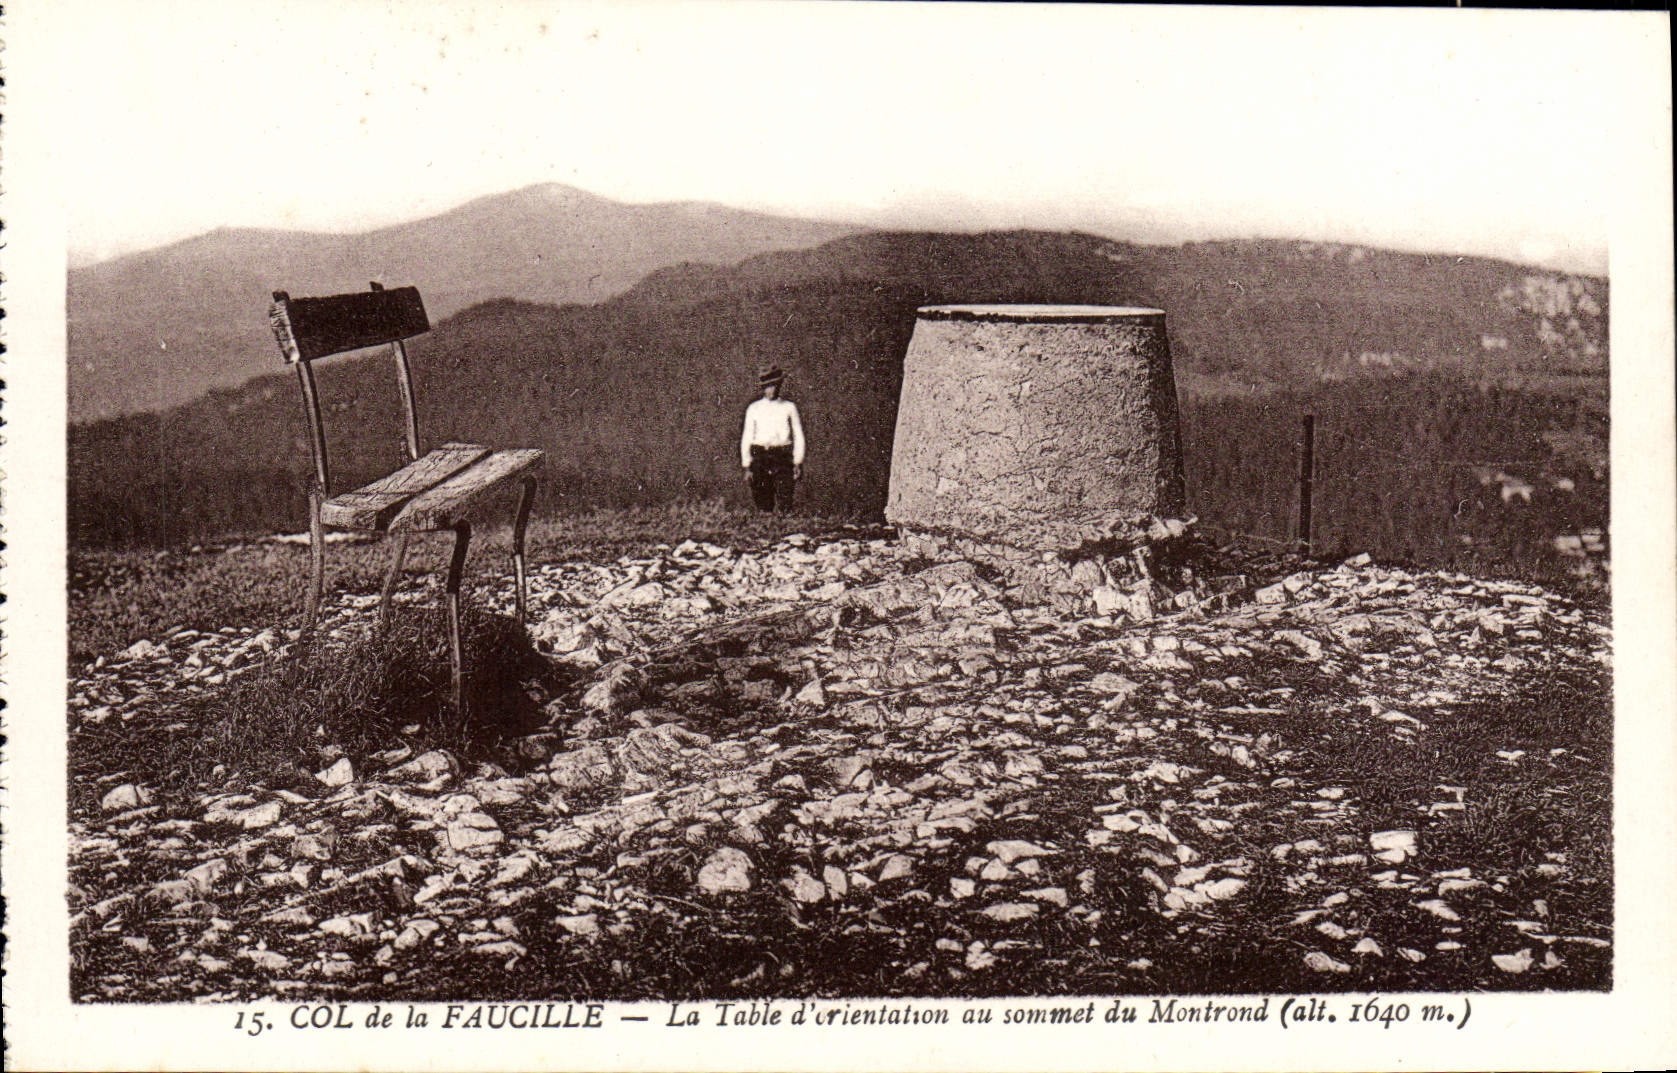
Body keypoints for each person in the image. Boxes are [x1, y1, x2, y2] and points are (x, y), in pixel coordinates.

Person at [740, 364, 806, 513]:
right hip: (760, 455)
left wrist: (797, 462)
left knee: (785, 496)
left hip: (781, 456)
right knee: (762, 499)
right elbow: (747, 437)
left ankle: (786, 531)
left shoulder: (789, 407)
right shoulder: (754, 408)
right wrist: (747, 464)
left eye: (774, 386)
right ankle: (766, 529)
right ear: (763, 388)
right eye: (767, 386)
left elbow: (798, 435)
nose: (771, 390)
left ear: (779, 385)